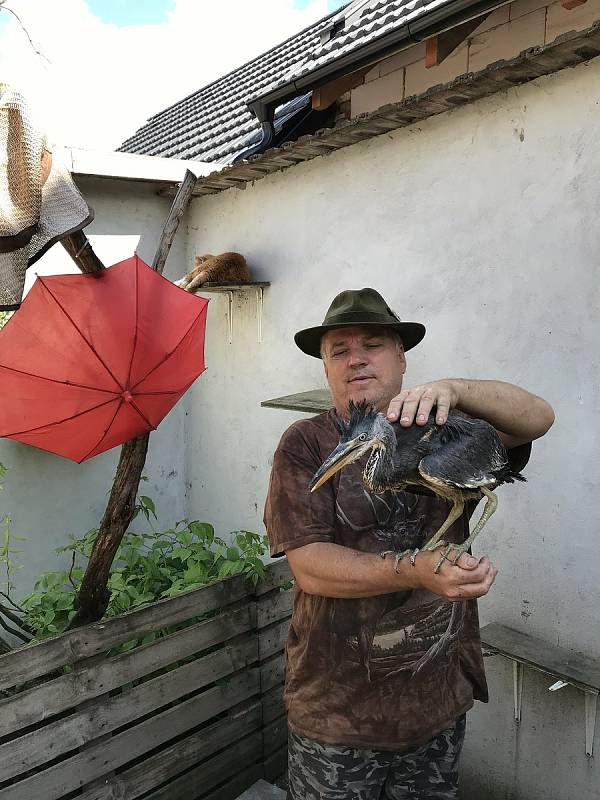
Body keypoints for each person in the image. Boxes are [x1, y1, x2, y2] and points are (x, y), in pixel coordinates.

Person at [264, 288, 554, 800]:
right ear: (327, 369)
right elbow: (310, 567)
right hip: (337, 712)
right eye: (339, 350)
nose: (356, 358)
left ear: (401, 359)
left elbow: (538, 418)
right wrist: (415, 570)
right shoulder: (306, 443)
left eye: (372, 344)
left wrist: (455, 389)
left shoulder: (445, 430)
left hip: (437, 703)